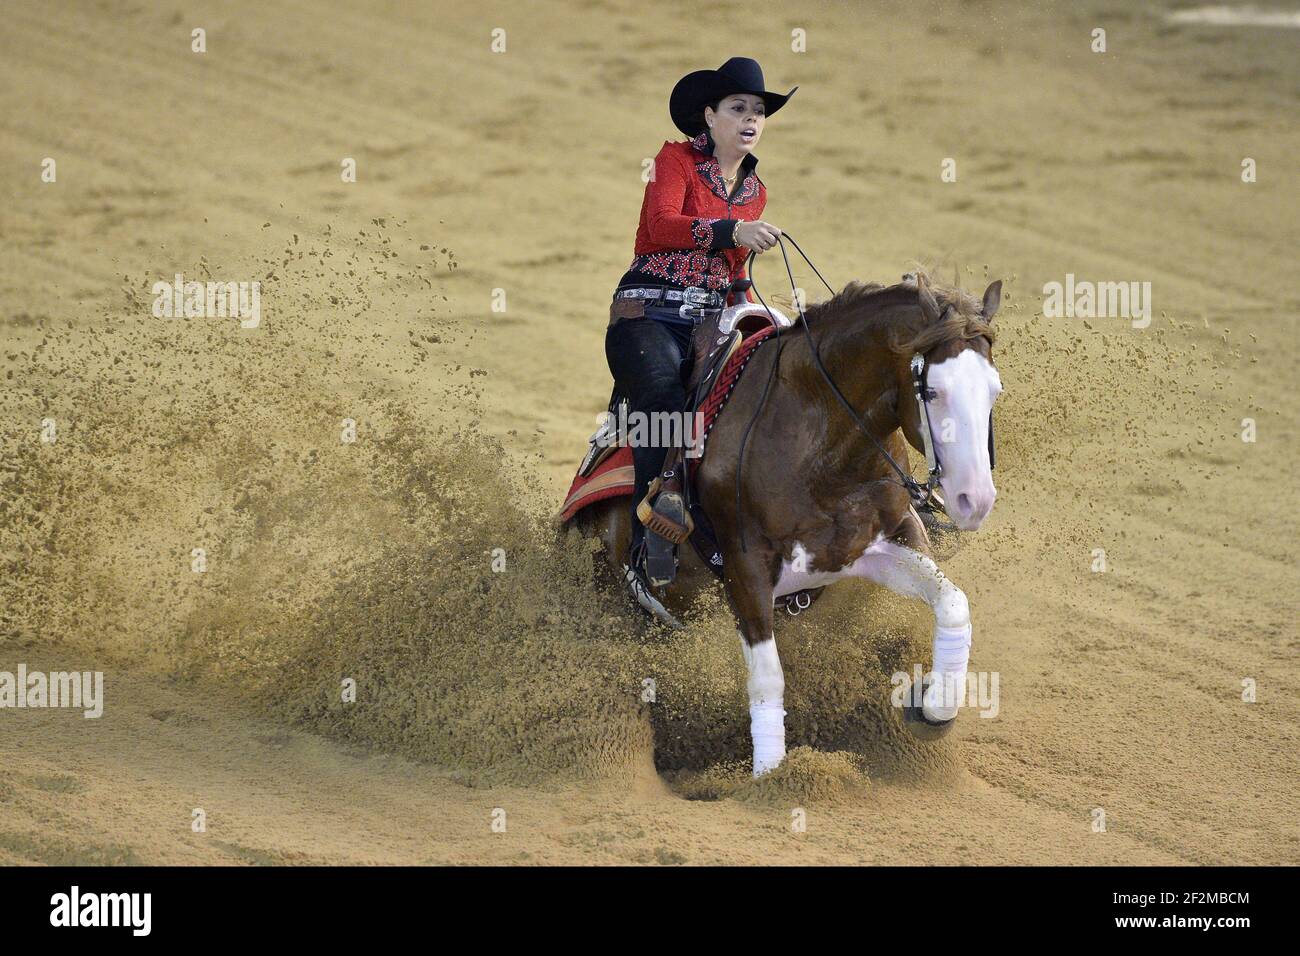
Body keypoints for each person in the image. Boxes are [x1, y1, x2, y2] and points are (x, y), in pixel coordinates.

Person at [605, 57, 796, 618]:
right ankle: (648, 540)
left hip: (712, 324)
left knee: (759, 396)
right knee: (663, 398)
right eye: (738, 108)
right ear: (708, 116)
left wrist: (765, 311)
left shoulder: (756, 190)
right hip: (648, 317)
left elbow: (735, 274)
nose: (751, 119)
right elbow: (662, 225)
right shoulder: (674, 160)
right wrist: (731, 229)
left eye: (758, 111)